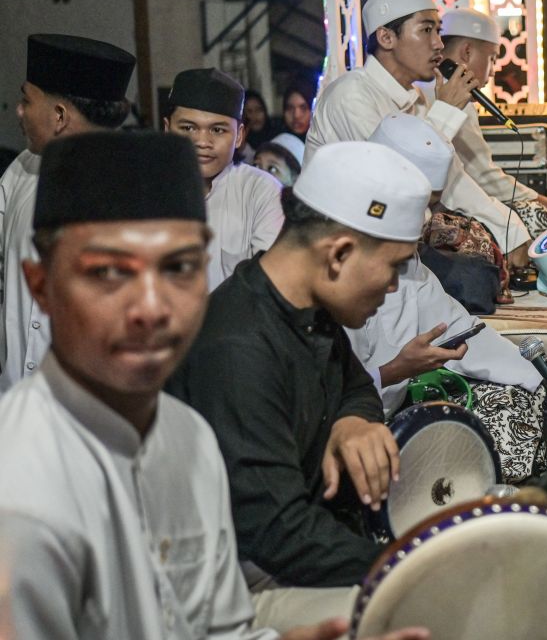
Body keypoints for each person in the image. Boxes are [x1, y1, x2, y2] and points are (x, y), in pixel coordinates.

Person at [0, 131, 426, 640]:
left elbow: (220, 630)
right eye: (110, 273)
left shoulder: (187, 439)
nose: (153, 308)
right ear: (40, 286)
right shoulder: (22, 489)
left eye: (179, 268)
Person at [167, 141, 430, 631]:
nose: (394, 286)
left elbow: (356, 385)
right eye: (393, 266)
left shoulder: (306, 308)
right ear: (340, 254)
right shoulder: (238, 346)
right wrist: (415, 566)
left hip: (303, 551)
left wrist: (354, 421)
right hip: (242, 589)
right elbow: (277, 532)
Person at [357, 114, 547, 479]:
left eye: (433, 204)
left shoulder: (409, 262)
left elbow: (462, 331)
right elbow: (315, 394)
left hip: (387, 419)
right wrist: (395, 371)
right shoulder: (333, 267)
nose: (428, 219)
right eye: (422, 204)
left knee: (514, 401)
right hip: (330, 440)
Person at [304, 0, 532, 267]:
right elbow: (395, 190)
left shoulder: (419, 102)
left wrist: (513, 234)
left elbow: (456, 183)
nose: (438, 43)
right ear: (387, 38)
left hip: (402, 259)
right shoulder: (351, 96)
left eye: (438, 30)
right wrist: (446, 111)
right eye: (426, 30)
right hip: (345, 263)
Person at [0, 34, 133, 394]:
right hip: (15, 407)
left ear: (58, 116)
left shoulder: (138, 187)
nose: (19, 111)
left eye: (27, 100)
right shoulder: (21, 170)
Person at [432, 8, 547, 237]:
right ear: (467, 52)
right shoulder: (453, 96)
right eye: (492, 58)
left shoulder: (426, 86)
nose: (491, 72)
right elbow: (484, 178)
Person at [165, 68, 284, 290]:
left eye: (217, 130)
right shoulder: (145, 191)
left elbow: (268, 289)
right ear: (167, 129)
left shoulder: (261, 192)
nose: (202, 141)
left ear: (239, 136)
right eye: (188, 128)